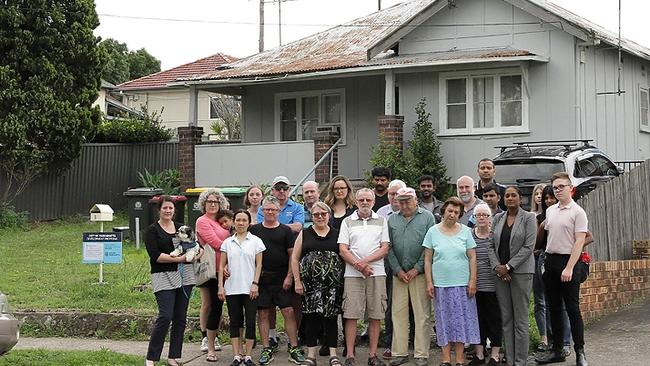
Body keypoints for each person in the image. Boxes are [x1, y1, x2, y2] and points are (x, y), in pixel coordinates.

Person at [536, 173, 591, 365]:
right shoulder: (550, 211)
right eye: (555, 187)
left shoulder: (578, 212)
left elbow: (579, 241)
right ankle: (557, 349)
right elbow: (548, 236)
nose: (558, 190)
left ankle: (580, 352)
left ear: (571, 188)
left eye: (561, 187)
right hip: (550, 261)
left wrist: (569, 268)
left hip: (569, 262)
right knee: (554, 308)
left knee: (573, 309)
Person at [422, 197, 479, 366]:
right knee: (443, 321)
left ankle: (460, 358)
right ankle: (446, 358)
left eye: (456, 212)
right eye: (450, 211)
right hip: (441, 285)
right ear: (443, 211)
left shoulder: (465, 232)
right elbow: (427, 260)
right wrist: (429, 282)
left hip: (462, 284)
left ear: (460, 214)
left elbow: (472, 257)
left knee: (461, 321)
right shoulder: (432, 231)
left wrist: (473, 280)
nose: (452, 214)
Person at [144, 196, 200, 366]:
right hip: (164, 276)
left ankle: (173, 356)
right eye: (165, 208)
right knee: (165, 316)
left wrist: (196, 255)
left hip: (185, 277)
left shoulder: (181, 228)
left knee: (180, 318)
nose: (168, 211)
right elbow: (156, 256)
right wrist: (180, 259)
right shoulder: (152, 230)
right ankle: (151, 357)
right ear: (159, 210)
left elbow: (198, 246)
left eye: (171, 208)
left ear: (174, 210)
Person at [250, 196, 306, 365]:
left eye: (273, 209)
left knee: (288, 311)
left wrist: (290, 276)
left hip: (282, 278)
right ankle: (267, 348)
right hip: (262, 279)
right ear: (262, 211)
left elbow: (292, 256)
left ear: (278, 211)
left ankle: (294, 347)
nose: (270, 212)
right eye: (267, 209)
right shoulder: (255, 231)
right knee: (263, 313)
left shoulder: (286, 231)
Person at [338, 188, 390, 366]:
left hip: (377, 273)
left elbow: (384, 248)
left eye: (368, 200)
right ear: (356, 202)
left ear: (374, 202)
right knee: (351, 315)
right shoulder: (347, 221)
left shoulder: (382, 221)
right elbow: (343, 249)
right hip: (352, 275)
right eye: (362, 200)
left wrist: (363, 263)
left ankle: (373, 355)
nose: (365, 203)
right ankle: (350, 355)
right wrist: (358, 266)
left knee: (376, 315)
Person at [291, 202, 345, 366]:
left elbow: (344, 255)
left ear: (328, 215)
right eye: (316, 214)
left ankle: (333, 355)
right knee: (311, 318)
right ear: (311, 216)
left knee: (331, 318)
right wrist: (297, 281)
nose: (320, 217)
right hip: (310, 286)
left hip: (333, 285)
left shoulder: (338, 233)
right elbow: (294, 258)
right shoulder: (304, 233)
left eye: (323, 214)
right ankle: (311, 355)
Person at [488, 186, 537, 366]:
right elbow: (490, 246)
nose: (510, 198)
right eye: (507, 196)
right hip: (500, 274)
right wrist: (498, 267)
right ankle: (509, 359)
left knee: (521, 320)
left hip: (521, 273)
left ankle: (520, 361)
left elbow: (528, 247)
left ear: (520, 198)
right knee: (507, 318)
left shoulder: (529, 218)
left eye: (513, 195)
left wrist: (509, 266)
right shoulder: (498, 218)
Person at [386, 187, 435, 366]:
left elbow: (429, 247)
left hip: (420, 274)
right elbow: (388, 247)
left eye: (408, 200)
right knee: (398, 314)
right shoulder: (392, 219)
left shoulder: (427, 217)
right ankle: (399, 353)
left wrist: (417, 268)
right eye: (402, 201)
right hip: (399, 275)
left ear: (416, 200)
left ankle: (422, 354)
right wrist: (398, 270)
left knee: (422, 314)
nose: (405, 204)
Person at [218, 210, 265, 366]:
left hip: (250, 287)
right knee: (235, 321)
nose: (241, 223)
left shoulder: (256, 241)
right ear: (234, 221)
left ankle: (249, 355)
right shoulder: (227, 242)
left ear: (249, 222)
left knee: (250, 320)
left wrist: (255, 283)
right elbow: (221, 266)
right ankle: (236, 355)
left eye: (244, 220)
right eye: (238, 220)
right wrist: (220, 286)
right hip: (232, 288)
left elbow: (259, 265)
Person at [195, 189, 231, 357]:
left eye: (215, 202)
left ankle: (214, 336)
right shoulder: (202, 221)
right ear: (204, 204)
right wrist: (232, 244)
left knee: (218, 304)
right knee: (207, 303)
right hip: (209, 268)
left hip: (223, 268)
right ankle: (205, 337)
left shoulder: (220, 221)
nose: (212, 204)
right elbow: (215, 242)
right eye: (209, 201)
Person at [468, 203, 502, 366]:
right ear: (474, 218)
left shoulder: (495, 235)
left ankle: (495, 355)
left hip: (494, 285)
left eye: (485, 215)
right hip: (475, 285)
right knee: (477, 320)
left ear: (490, 218)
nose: (481, 217)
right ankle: (479, 354)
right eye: (478, 215)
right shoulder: (469, 235)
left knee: (494, 319)